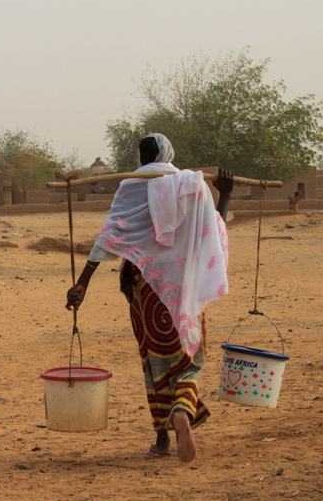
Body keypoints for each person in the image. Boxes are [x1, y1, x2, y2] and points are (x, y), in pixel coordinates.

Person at [65, 133, 234, 463]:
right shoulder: (191, 187)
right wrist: (225, 195)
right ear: (169, 153)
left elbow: (110, 237)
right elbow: (215, 231)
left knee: (153, 359)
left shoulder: (132, 186)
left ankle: (161, 440)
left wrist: (82, 283)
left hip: (145, 292)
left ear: (140, 158)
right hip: (182, 291)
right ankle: (183, 409)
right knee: (188, 357)